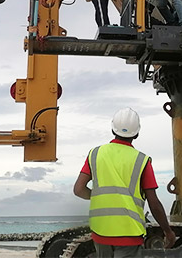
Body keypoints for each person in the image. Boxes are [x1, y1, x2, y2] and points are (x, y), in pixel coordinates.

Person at [73, 108, 176, 256]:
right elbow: (154, 203)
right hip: (129, 233)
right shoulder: (141, 160)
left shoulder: (95, 154)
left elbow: (78, 189)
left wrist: (102, 198)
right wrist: (168, 231)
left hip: (101, 231)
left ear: (112, 129)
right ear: (137, 133)